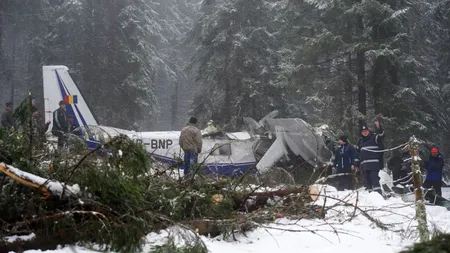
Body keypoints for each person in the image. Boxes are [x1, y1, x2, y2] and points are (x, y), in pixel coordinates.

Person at [355, 120, 385, 194]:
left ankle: (378, 195)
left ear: (368, 130)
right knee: (367, 182)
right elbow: (357, 154)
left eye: (366, 130)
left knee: (374, 179)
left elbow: (382, 136)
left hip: (374, 164)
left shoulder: (374, 137)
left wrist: (379, 128)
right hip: (364, 166)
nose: (365, 132)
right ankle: (371, 197)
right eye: (363, 131)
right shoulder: (360, 142)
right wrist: (356, 165)